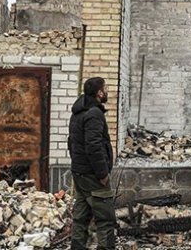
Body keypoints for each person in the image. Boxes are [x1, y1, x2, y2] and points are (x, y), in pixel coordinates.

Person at [68, 77, 117, 250]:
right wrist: (102, 173)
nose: (107, 91)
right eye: (106, 88)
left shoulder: (78, 112)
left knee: (81, 217)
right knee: (105, 219)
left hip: (79, 173)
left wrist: (77, 166)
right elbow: (94, 146)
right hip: (93, 175)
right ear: (99, 93)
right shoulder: (94, 113)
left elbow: (71, 142)